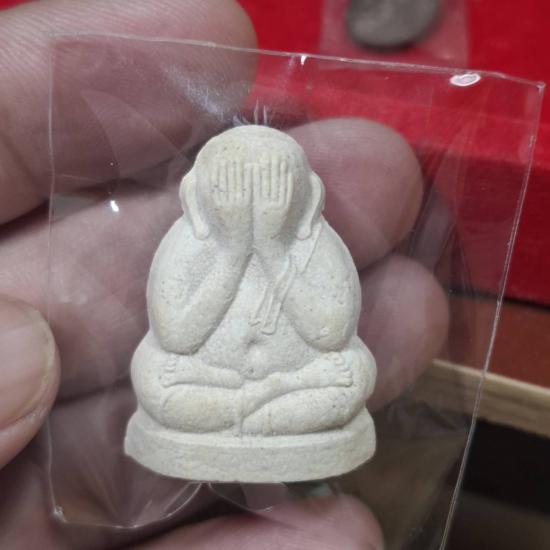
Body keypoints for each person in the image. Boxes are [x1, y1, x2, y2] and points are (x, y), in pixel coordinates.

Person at [0, 0, 449, 548]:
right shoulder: (189, 243)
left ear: (307, 198)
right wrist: (235, 251)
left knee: (349, 371)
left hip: (294, 382)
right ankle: (258, 414)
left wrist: (276, 252)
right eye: (235, 186)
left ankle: (258, 412)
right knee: (157, 374)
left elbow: (330, 333)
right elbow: (178, 336)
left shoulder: (314, 243)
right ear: (198, 196)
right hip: (205, 381)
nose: (256, 202)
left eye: (273, 187)